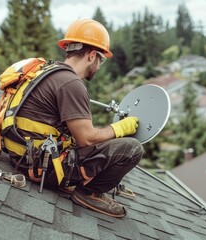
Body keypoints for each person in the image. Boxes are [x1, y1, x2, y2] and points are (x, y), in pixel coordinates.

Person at [16, 19, 143, 218]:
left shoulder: (47, 72)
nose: (99, 66)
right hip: (41, 166)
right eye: (101, 59)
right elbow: (87, 138)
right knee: (132, 148)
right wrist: (120, 128)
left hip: (22, 156)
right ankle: (88, 193)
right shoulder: (71, 83)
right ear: (92, 55)